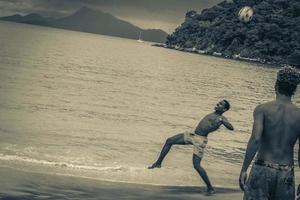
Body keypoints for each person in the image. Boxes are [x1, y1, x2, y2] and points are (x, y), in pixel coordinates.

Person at [148, 100, 234, 195]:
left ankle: (210, 188)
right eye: (218, 103)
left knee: (196, 165)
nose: (217, 104)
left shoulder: (221, 118)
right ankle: (158, 163)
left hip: (200, 140)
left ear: (224, 109)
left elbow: (231, 127)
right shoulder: (213, 113)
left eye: (220, 104)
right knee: (169, 141)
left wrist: (222, 121)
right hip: (192, 135)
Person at [239, 66, 300, 200]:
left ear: (276, 85)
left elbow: (255, 139)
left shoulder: (262, 109)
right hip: (286, 172)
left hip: (262, 167)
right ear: (294, 89)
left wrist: (244, 169)